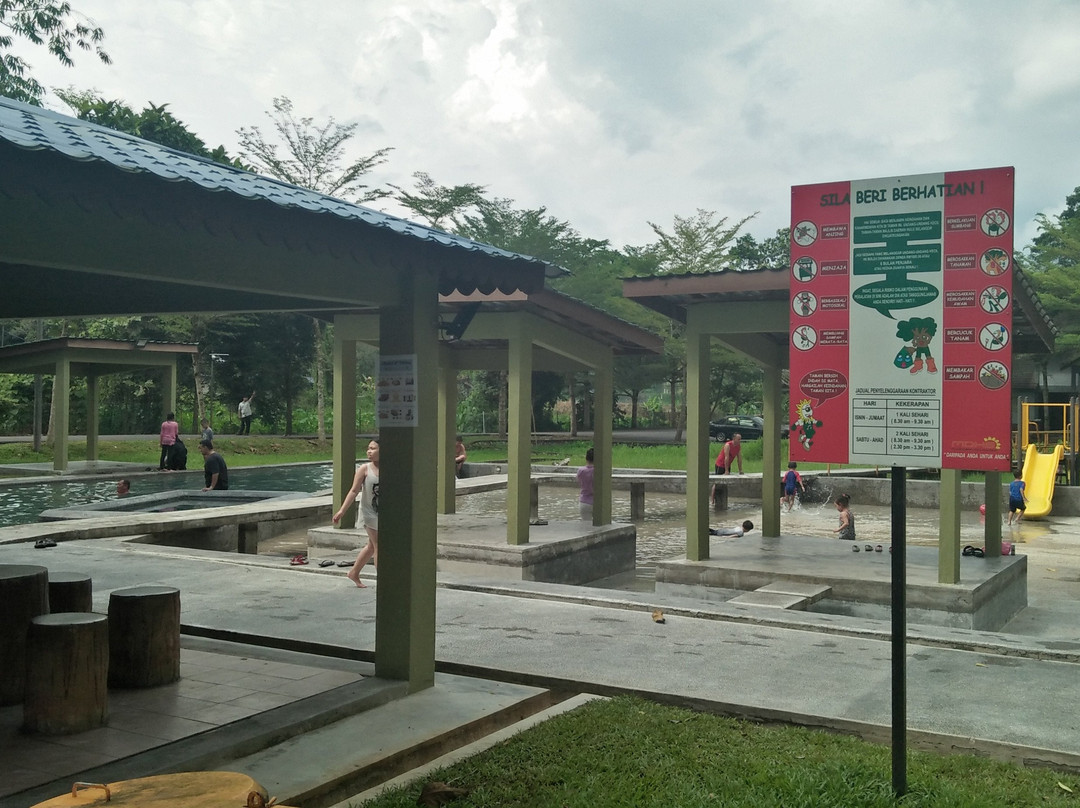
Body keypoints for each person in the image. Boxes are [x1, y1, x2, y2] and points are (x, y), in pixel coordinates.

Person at [333, 439, 380, 588]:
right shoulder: (365, 469)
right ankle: (384, 581)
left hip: (383, 512)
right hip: (368, 512)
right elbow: (354, 491)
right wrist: (342, 511)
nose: (369, 451)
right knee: (379, 545)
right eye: (368, 448)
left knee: (371, 546)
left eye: (373, 449)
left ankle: (354, 572)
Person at [577, 447, 595, 520]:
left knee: (586, 525)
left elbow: (580, 482)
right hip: (599, 502)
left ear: (586, 458)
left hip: (585, 502)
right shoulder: (599, 471)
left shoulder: (581, 471)